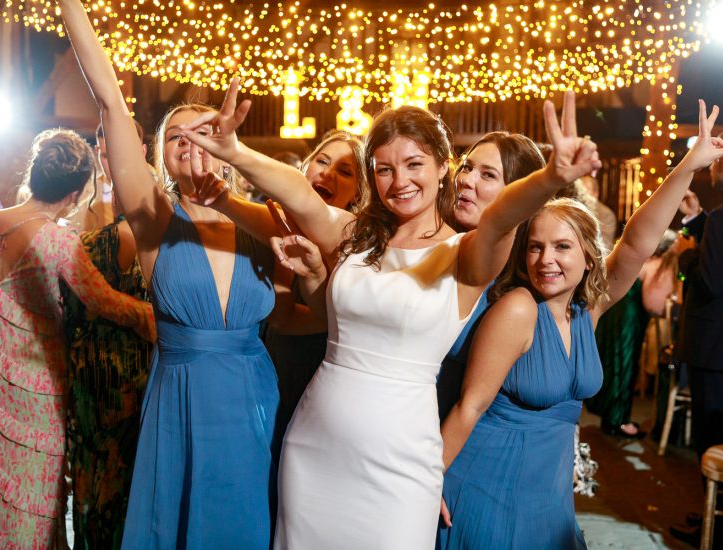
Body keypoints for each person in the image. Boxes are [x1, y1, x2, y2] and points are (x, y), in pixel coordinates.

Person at [181, 80, 600, 548]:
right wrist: (235, 153)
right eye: (384, 169)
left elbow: (502, 215)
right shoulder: (355, 236)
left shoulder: (466, 255)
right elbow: (299, 195)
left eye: (414, 164)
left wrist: (550, 178)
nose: (400, 182)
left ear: (443, 165)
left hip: (403, 461)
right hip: (315, 446)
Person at [436, 101, 723, 549]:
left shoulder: (586, 310)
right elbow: (469, 407)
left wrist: (687, 167)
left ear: (589, 257)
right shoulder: (518, 307)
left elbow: (636, 242)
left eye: (562, 247)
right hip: (490, 482)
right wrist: (430, 480)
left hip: (549, 494)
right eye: (536, 247)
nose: (547, 259)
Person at [59, 1, 287, 547]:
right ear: (160, 157)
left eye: (203, 132)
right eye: (176, 136)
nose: (190, 141)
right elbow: (111, 101)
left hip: (255, 400)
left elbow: (300, 308)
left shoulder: (264, 222)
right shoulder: (155, 219)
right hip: (182, 401)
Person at [0, 128, 154, 549]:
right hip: (34, 390)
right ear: (76, 193)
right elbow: (107, 301)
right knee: (32, 498)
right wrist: (153, 316)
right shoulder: (57, 240)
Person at [60, 122, 152, 550]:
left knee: (134, 484)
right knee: (91, 490)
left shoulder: (159, 203)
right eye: (103, 146)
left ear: (142, 148)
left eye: (119, 142)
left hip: (141, 365)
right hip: (89, 368)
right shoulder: (80, 206)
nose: (109, 152)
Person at [670, 124, 723, 548]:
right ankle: (720, 516)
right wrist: (696, 219)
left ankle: (719, 532)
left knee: (714, 440)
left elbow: (711, 281)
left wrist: (686, 258)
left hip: (716, 349)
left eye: (717, 159)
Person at [437, 131, 546, 419]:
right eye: (467, 167)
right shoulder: (435, 247)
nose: (466, 180)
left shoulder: (524, 288)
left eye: (487, 175)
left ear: (519, 196)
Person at [265, 130, 365, 431]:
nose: (328, 174)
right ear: (304, 169)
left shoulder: (358, 244)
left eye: (345, 172)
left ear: (358, 193)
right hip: (277, 365)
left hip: (325, 374)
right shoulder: (277, 222)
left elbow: (283, 318)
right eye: (322, 161)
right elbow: (281, 319)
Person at [585, 230, 678, 438]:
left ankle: (611, 417)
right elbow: (653, 303)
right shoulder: (656, 264)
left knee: (611, 362)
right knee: (624, 365)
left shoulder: (637, 260)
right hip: (629, 317)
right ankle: (619, 420)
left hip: (613, 311)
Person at [579, 174, 617, 249]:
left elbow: (605, 245)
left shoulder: (606, 214)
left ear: (595, 193)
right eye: (580, 190)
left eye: (586, 189)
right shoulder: (575, 209)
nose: (582, 194)